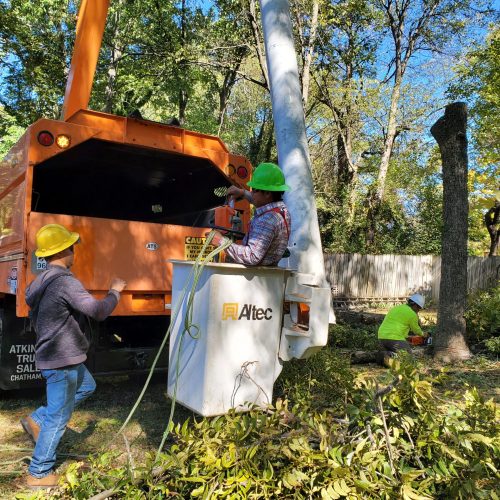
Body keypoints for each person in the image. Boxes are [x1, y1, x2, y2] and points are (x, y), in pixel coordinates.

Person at [22, 223, 126, 489]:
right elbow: (98, 311)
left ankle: (37, 420)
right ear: (64, 251)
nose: (74, 252)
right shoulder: (65, 282)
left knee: (87, 386)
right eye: (71, 247)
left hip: (58, 356)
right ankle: (39, 472)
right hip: (63, 359)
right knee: (59, 416)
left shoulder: (41, 280)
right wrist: (115, 291)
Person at [211, 162, 291, 266]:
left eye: (254, 190)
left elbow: (252, 256)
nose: (251, 192)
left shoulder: (267, 220)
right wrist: (243, 193)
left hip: (254, 278)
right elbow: (261, 201)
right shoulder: (282, 210)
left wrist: (221, 242)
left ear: (267, 193)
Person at [377, 293, 428, 365]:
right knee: (408, 358)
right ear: (416, 305)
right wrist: (423, 334)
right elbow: (416, 330)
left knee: (397, 349)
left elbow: (398, 324)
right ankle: (388, 356)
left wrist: (407, 338)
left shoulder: (397, 308)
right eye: (419, 308)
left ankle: (385, 355)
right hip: (394, 339)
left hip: (381, 336)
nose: (418, 311)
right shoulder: (412, 314)